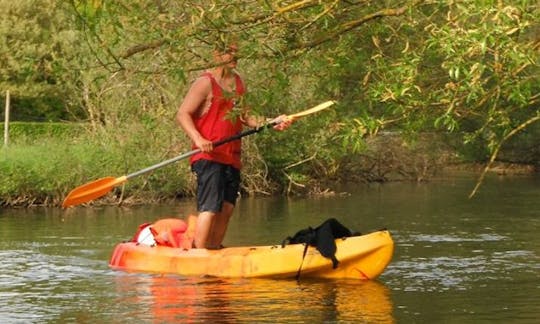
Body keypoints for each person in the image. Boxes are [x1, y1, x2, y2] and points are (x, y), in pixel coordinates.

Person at [176, 42, 291, 249]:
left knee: (227, 209)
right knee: (210, 207)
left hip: (231, 156)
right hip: (208, 156)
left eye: (236, 51)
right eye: (230, 52)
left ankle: (214, 250)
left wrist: (272, 122)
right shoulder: (205, 82)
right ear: (217, 54)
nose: (235, 55)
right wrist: (198, 139)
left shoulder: (238, 82)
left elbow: (247, 116)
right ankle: (199, 254)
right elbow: (183, 113)